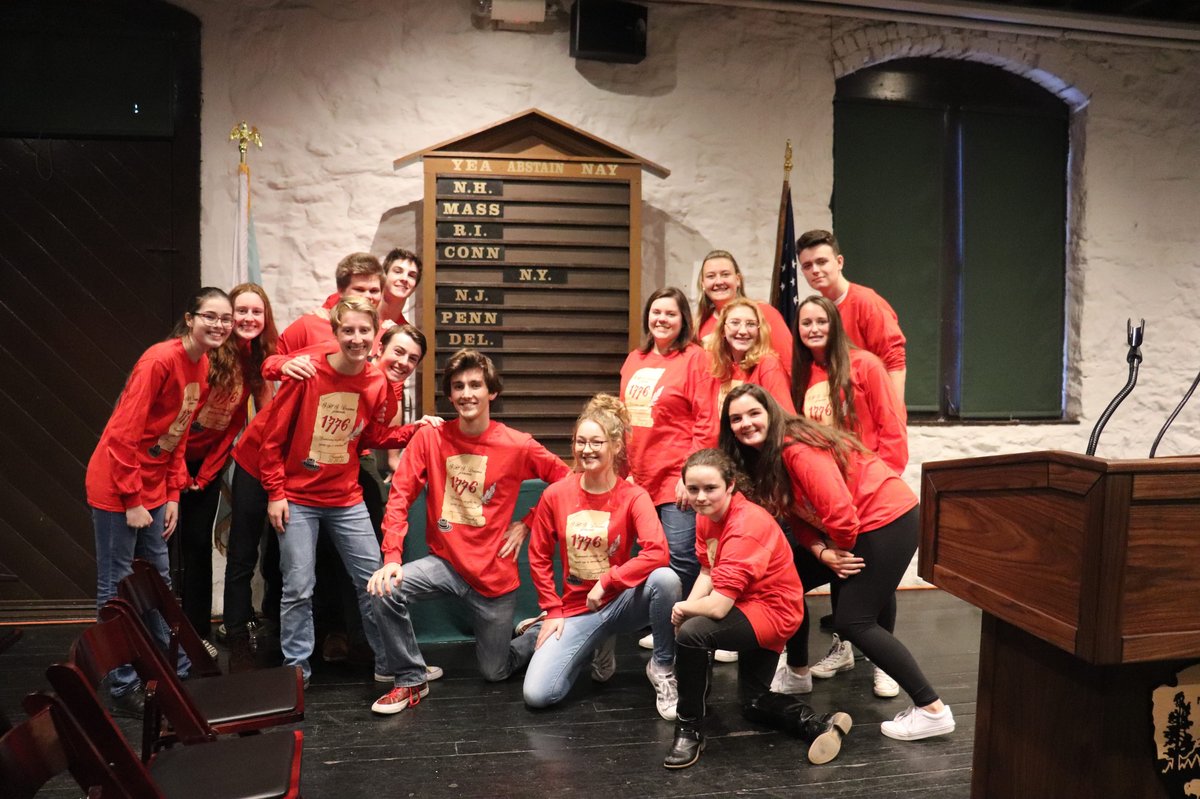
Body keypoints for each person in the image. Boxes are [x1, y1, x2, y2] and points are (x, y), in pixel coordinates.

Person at [720, 385, 955, 741]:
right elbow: (797, 515)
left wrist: (839, 553)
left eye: (754, 413)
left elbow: (841, 515)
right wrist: (821, 553)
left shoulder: (796, 450)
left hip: (887, 520)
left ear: (772, 413)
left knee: (853, 620)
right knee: (785, 578)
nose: (746, 423)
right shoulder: (763, 460)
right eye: (736, 418)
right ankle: (798, 671)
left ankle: (931, 709)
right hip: (851, 529)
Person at [367, 349, 570, 715]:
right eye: (458, 386)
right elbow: (399, 496)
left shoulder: (516, 444)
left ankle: (532, 634)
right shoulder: (430, 439)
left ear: (492, 392)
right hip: (446, 565)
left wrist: (528, 521)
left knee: (495, 671)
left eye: (476, 384)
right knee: (384, 590)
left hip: (493, 578)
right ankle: (411, 679)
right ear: (450, 395)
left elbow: (566, 481)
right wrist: (392, 557)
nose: (467, 393)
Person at [85, 286, 232, 716]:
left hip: (152, 489)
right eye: (211, 316)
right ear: (190, 318)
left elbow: (179, 435)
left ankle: (174, 664)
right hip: (118, 488)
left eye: (224, 319)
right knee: (116, 589)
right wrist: (133, 499)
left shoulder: (201, 365)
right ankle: (121, 685)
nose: (219, 325)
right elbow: (122, 435)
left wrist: (170, 494)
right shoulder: (159, 360)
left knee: (159, 583)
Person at [258, 297, 415, 685]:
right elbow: (271, 439)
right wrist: (276, 493)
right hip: (297, 498)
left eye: (364, 331)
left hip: (345, 499)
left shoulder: (376, 382)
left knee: (374, 583)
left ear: (375, 336)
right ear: (336, 332)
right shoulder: (309, 373)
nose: (356, 338)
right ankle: (297, 670)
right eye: (349, 330)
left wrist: (416, 429)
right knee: (298, 588)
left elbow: (373, 436)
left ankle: (388, 662)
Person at [664, 448, 852, 769]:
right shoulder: (706, 517)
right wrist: (689, 608)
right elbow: (708, 571)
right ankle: (819, 723)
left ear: (731, 486)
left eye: (710, 489)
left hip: (773, 610)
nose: (701, 497)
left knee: (694, 633)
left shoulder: (746, 524)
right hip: (746, 602)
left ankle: (689, 728)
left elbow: (720, 607)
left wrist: (684, 610)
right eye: (693, 489)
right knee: (752, 702)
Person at [523, 395, 681, 720]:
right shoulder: (555, 494)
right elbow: (537, 555)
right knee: (539, 695)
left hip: (621, 601)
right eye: (581, 441)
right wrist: (552, 610)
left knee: (666, 580)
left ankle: (663, 666)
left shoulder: (633, 496)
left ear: (615, 447)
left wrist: (610, 580)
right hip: (578, 609)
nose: (587, 449)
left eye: (597, 442)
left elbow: (657, 551)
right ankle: (596, 643)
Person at [177, 283, 278, 646]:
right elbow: (181, 420)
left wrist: (203, 476)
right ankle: (158, 636)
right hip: (171, 461)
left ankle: (195, 634)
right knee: (161, 552)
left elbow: (233, 425)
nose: (249, 318)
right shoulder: (208, 354)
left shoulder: (256, 359)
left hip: (205, 468)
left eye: (257, 312)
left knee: (198, 547)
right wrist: (180, 472)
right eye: (242, 311)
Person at [620, 287, 713, 599]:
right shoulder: (635, 359)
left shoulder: (695, 358)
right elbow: (623, 420)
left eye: (670, 313)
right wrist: (624, 473)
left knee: (681, 559)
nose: (662, 319)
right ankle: (655, 622)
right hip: (637, 480)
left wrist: (690, 476)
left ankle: (678, 627)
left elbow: (706, 420)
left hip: (675, 480)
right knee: (645, 557)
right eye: (656, 312)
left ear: (682, 319)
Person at [792, 294, 906, 475]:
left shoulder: (866, 365)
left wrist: (884, 476)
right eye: (806, 323)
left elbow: (892, 426)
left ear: (836, 325)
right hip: (828, 480)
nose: (814, 329)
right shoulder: (801, 374)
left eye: (822, 322)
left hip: (870, 477)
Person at [796, 230, 906, 399]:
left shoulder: (867, 302)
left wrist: (894, 416)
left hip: (870, 406)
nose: (815, 270)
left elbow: (894, 362)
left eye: (822, 262)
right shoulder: (817, 311)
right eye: (807, 266)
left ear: (839, 262)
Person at [694, 250, 794, 381]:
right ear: (702, 284)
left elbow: (789, 364)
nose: (718, 281)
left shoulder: (764, 313)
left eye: (725, 274)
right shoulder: (698, 325)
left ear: (738, 280)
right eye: (711, 276)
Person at [705, 297, 795, 417]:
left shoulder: (768, 365)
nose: (743, 331)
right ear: (722, 330)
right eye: (735, 323)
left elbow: (786, 419)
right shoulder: (716, 366)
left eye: (751, 324)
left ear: (759, 331)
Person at [377, 248, 422, 330]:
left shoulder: (407, 336)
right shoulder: (360, 320)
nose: (404, 279)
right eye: (398, 271)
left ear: (414, 288)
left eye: (411, 275)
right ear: (384, 277)